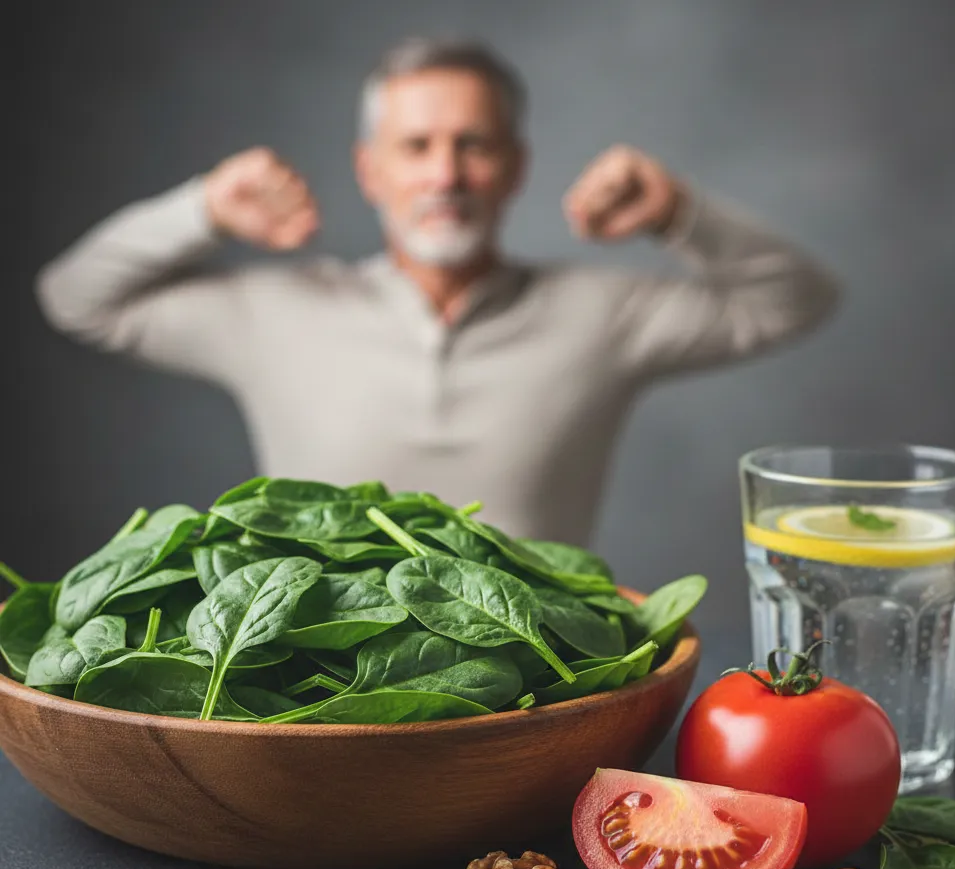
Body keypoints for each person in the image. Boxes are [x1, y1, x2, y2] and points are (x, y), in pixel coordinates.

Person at [36, 38, 840, 546]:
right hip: (321, 690)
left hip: (540, 692)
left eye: (474, 145)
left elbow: (796, 299)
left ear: (516, 167)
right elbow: (76, 297)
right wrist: (204, 208)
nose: (446, 174)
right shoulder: (276, 312)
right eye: (416, 146)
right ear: (370, 170)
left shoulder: (603, 314)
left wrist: (677, 212)